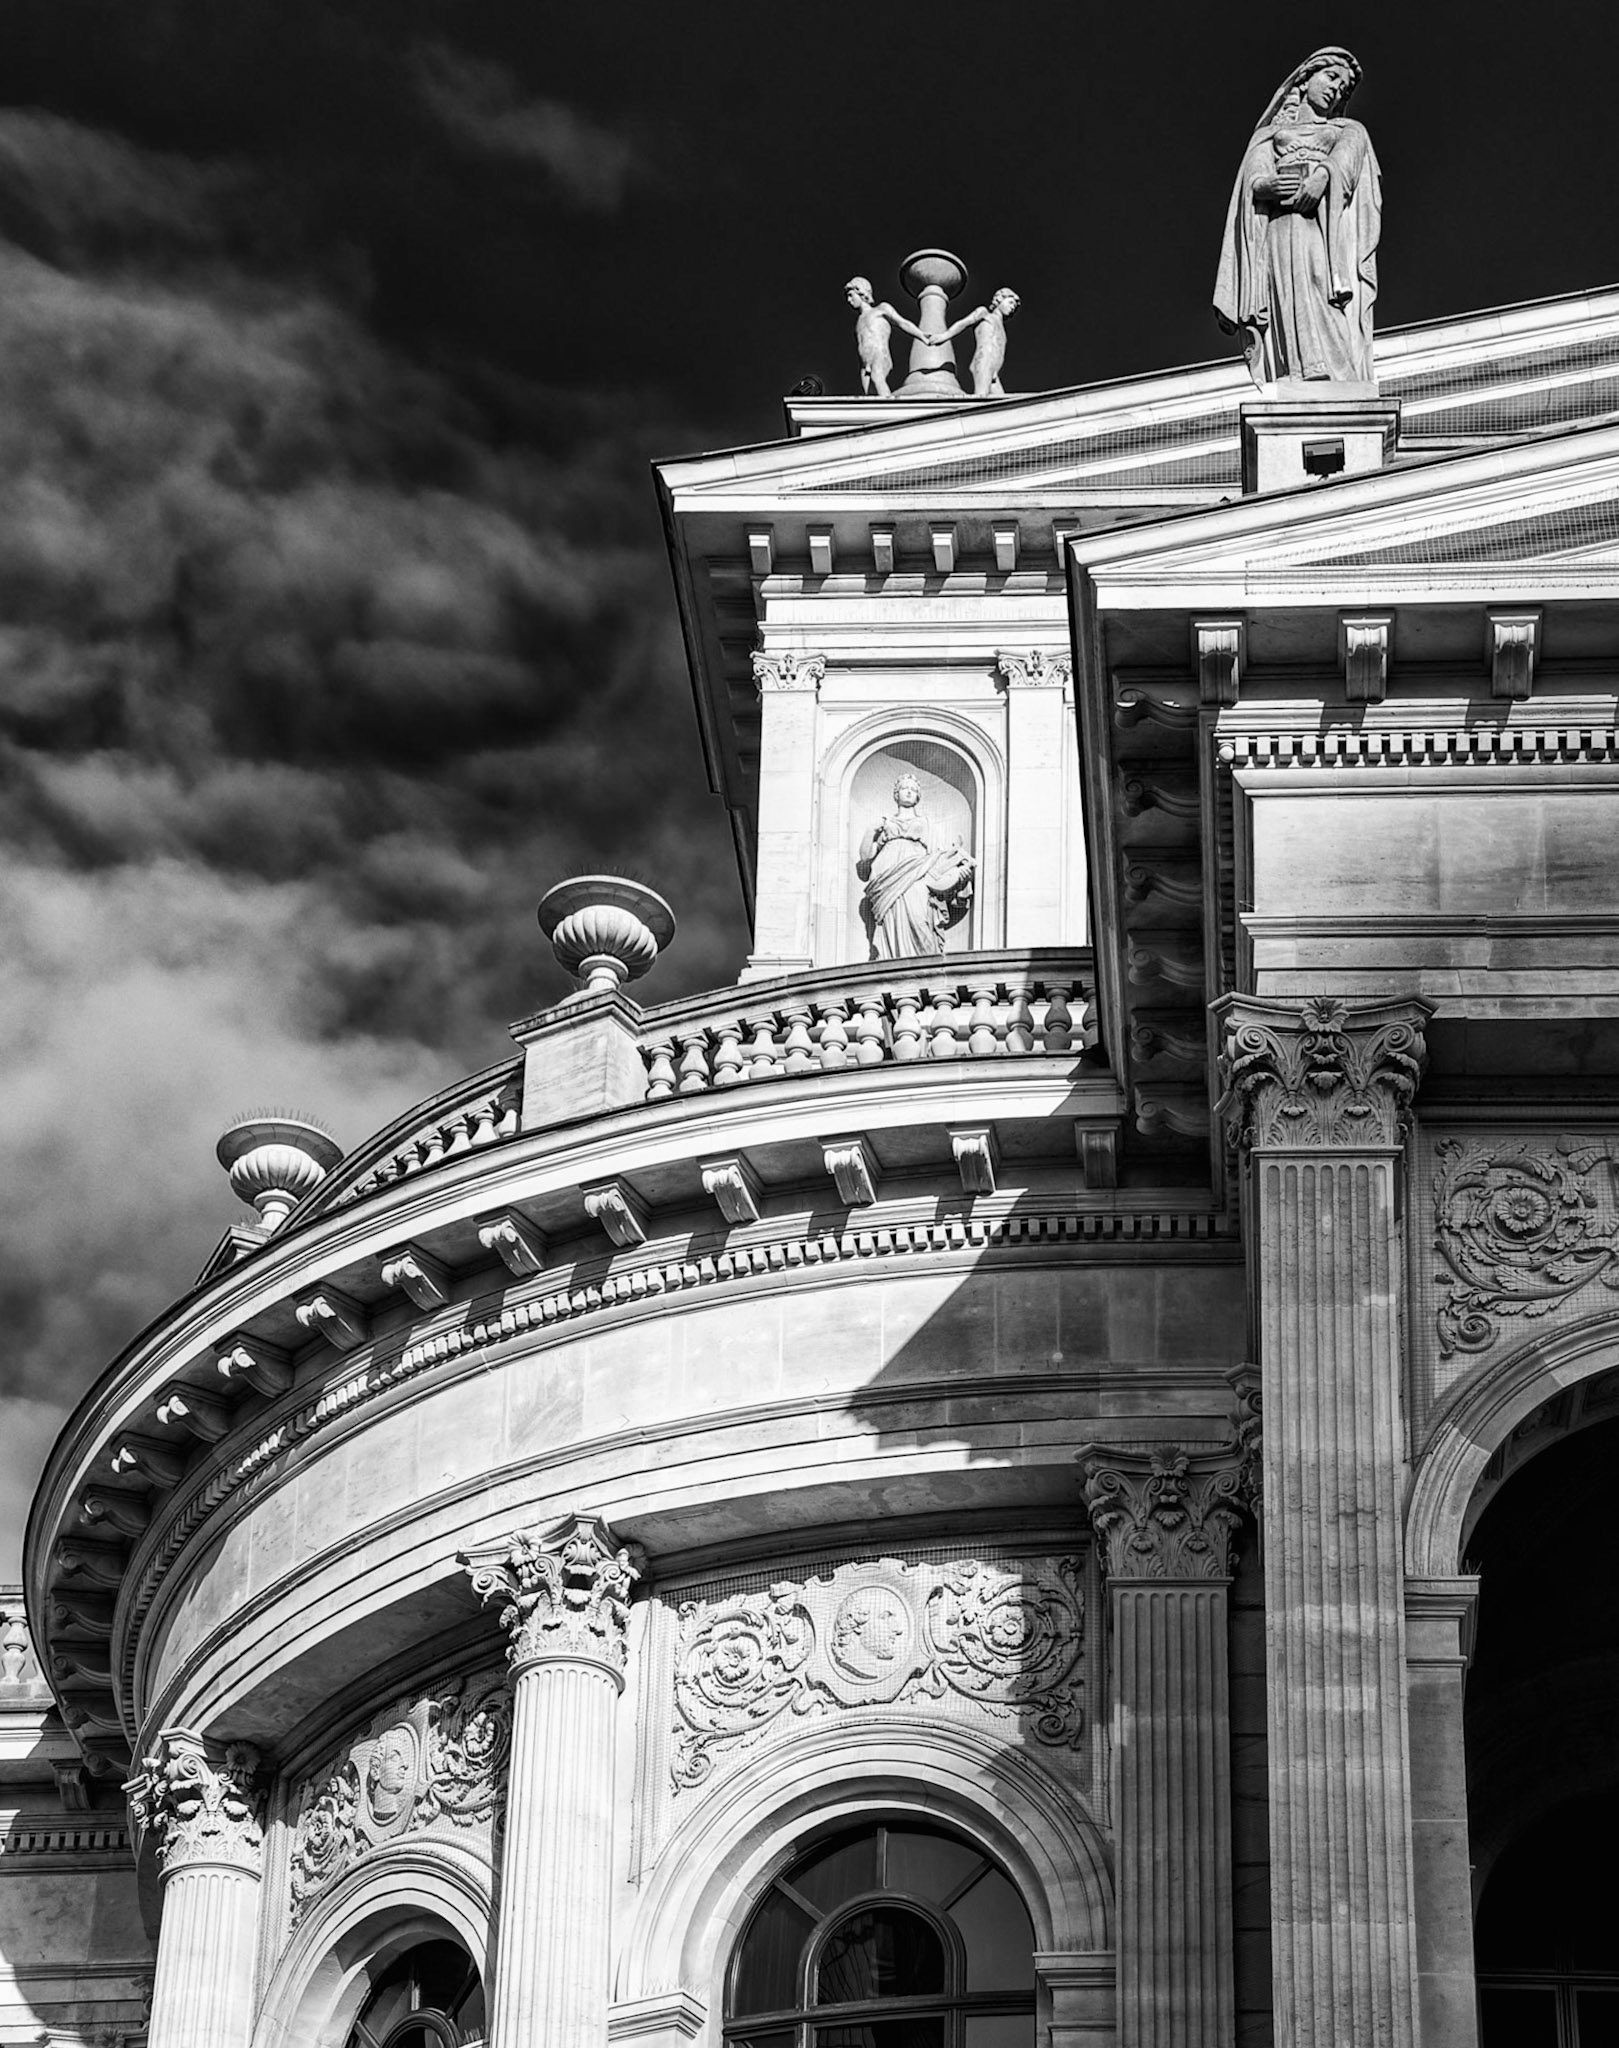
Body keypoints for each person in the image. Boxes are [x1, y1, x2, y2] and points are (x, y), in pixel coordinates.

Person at [1213, 48, 1380, 387]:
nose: (1336, 90)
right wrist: (1267, 185)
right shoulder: (1270, 134)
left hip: (1323, 223)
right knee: (1285, 293)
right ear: (1305, 80)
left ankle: (1338, 374)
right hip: (1279, 224)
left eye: (1343, 88)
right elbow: (1254, 176)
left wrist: (1322, 177)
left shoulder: (1348, 129)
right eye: (1331, 78)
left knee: (1321, 283)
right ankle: (1297, 371)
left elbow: (1347, 162)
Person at [856, 774, 975, 960]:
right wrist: (871, 830)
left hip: (918, 870)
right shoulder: (886, 824)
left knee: (918, 917)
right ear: (896, 794)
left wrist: (956, 865)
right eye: (905, 788)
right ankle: (891, 959)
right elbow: (866, 856)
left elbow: (937, 854)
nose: (909, 792)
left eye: (913, 789)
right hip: (886, 873)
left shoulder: (927, 823)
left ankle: (924, 962)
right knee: (891, 917)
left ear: (918, 796)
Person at [846, 277, 927, 399]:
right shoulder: (859, 321)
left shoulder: (881, 309)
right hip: (865, 363)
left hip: (879, 355)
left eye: (851, 295)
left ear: (861, 292)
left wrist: (921, 335)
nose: (849, 300)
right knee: (869, 396)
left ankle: (893, 406)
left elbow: (902, 322)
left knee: (877, 378)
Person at [936, 288, 1020, 397]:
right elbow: (963, 323)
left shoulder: (1002, 329)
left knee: (1004, 403)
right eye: (1010, 302)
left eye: (1014, 307)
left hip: (995, 370)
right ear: (1000, 299)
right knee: (981, 398)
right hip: (984, 362)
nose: (1012, 307)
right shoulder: (984, 313)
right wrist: (944, 336)